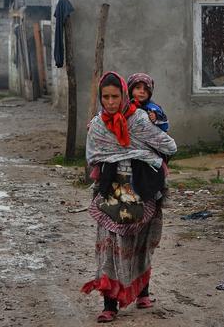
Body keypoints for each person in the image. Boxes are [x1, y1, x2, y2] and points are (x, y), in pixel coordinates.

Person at [82, 72, 177, 323]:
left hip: (142, 191)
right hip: (111, 194)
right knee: (109, 249)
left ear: (124, 95)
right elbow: (92, 156)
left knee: (141, 244)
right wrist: (118, 156)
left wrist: (140, 153)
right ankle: (109, 304)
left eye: (115, 96)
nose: (111, 102)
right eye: (106, 97)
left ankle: (142, 291)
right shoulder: (99, 125)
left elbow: (169, 146)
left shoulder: (140, 120)